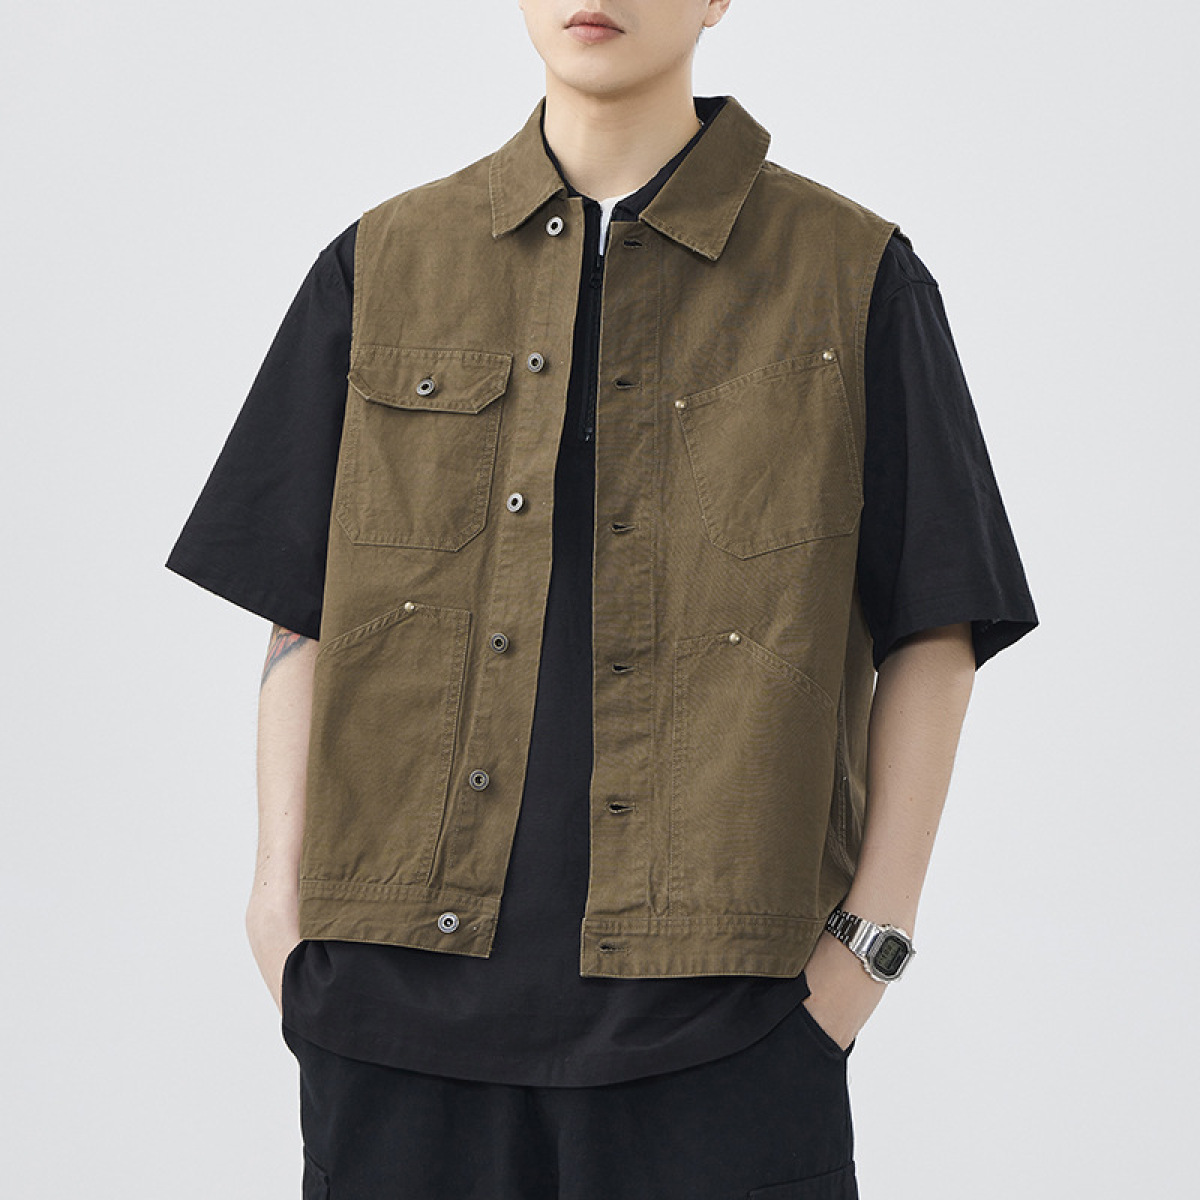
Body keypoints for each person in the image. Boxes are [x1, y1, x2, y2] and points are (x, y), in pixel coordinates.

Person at [166, 2, 1039, 1196]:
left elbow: (938, 625)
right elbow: (304, 609)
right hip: (390, 1026)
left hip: (726, 1040)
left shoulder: (851, 274)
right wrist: (279, 919)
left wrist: (860, 961)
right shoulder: (384, 263)